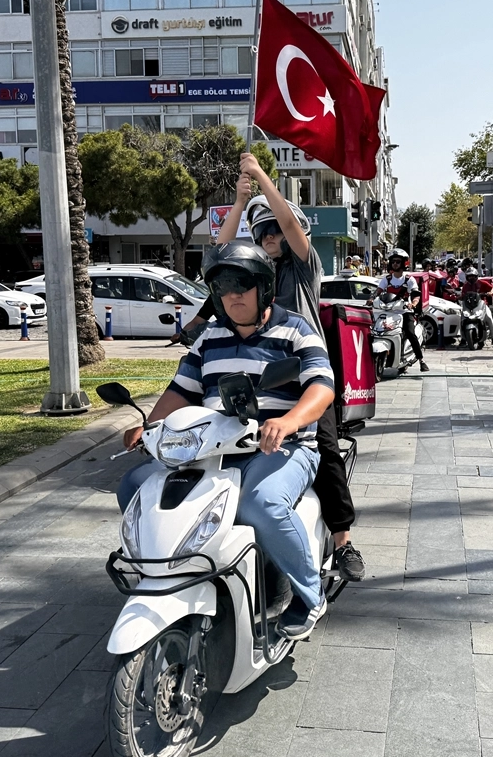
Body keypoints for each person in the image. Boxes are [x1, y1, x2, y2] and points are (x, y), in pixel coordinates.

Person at [115, 242, 335, 640]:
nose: (232, 294)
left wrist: (287, 421)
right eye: (222, 286)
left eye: (241, 284)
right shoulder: (208, 337)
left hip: (282, 447)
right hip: (211, 448)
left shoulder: (297, 329)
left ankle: (309, 594)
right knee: (135, 487)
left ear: (263, 287)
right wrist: (149, 425)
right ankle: (170, 574)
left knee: (261, 504)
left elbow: (322, 388)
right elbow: (181, 390)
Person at [177, 153, 365, 583]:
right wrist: (240, 204)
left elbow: (297, 231)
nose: (270, 236)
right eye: (262, 232)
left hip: (301, 373)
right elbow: (219, 257)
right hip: (247, 369)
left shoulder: (302, 269)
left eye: (275, 230)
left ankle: (342, 541)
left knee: (326, 448)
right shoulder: (247, 275)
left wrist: (261, 178)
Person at [374, 248, 430, 372]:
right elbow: (378, 291)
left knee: (410, 333)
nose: (395, 264)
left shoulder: (409, 279)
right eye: (393, 262)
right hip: (388, 311)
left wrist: (413, 304)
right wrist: (371, 298)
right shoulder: (386, 279)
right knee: (373, 330)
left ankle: (421, 360)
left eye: (398, 262)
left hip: (404, 312)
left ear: (404, 263)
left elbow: (416, 295)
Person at [460, 267, 493, 345]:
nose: (471, 278)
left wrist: (490, 292)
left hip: (481, 304)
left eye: (473, 276)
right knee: (462, 318)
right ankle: (463, 338)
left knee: (489, 317)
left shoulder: (482, 283)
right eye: (469, 276)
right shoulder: (465, 285)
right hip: (468, 305)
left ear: (476, 276)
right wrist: (459, 296)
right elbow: (462, 294)